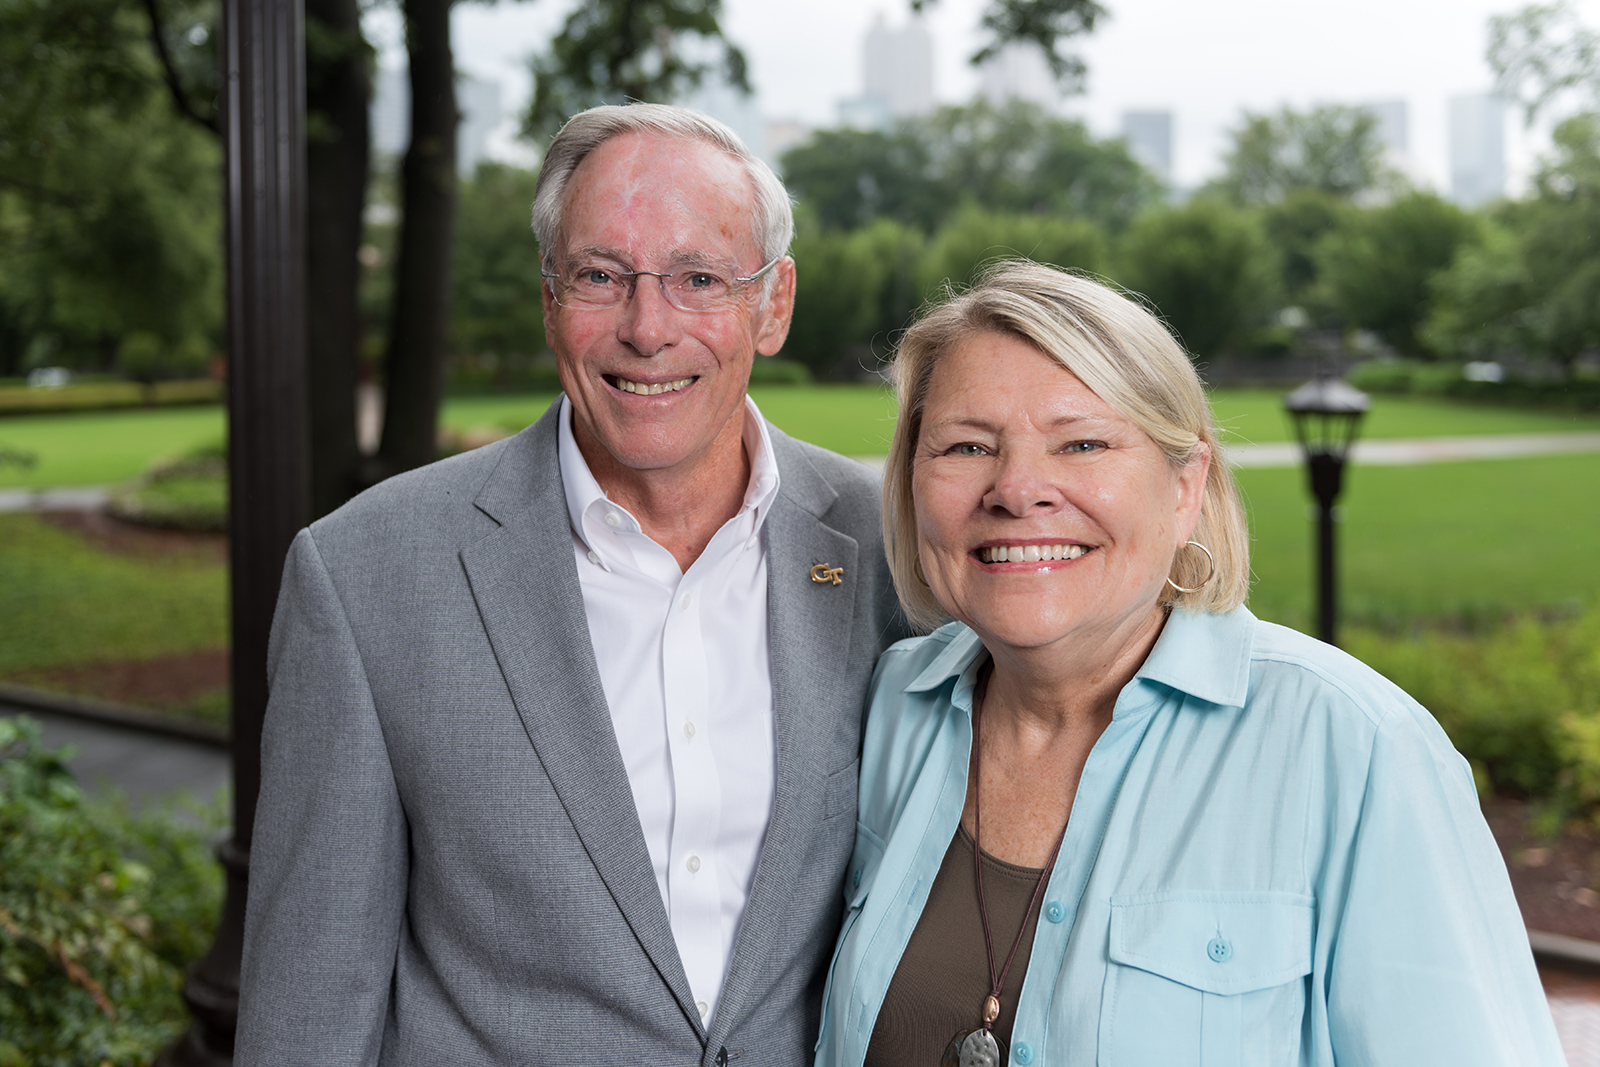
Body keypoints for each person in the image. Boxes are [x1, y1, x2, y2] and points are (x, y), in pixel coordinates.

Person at [235, 103, 905, 1066]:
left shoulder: (893, 545)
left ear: (773, 303)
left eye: (699, 278)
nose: (648, 326)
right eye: (601, 275)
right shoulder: (364, 576)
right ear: (549, 297)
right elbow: (308, 1009)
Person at [815, 262, 1564, 1067]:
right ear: (911, 484)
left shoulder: (1356, 749)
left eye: (1082, 442)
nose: (1019, 488)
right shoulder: (894, 705)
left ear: (1184, 486)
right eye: (967, 445)